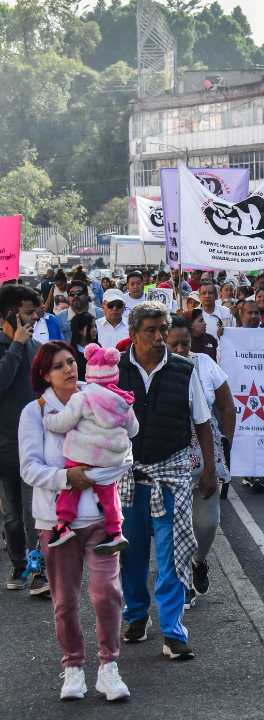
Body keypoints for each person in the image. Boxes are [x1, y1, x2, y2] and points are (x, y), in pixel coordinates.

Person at [18, 341, 130, 701]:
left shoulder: (99, 396)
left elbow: (124, 450)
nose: (69, 369)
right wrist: (69, 479)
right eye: (58, 366)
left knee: (107, 595)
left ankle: (108, 668)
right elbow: (29, 468)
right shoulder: (35, 413)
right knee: (64, 601)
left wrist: (95, 476)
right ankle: (73, 669)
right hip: (55, 522)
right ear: (44, 375)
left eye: (71, 362)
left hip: (100, 519)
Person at [114, 302, 218, 661]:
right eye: (151, 331)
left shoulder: (184, 370)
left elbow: (202, 423)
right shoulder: (112, 371)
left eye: (162, 329)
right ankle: (136, 616)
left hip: (171, 475)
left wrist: (208, 469)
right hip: (127, 477)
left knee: (173, 556)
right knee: (132, 554)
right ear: (133, 335)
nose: (159, 337)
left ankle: (173, 630)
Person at [38, 342, 136, 551]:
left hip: (84, 452)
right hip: (111, 456)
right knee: (109, 491)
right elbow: (134, 429)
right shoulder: (123, 399)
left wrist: (47, 420)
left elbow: (64, 422)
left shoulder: (82, 397)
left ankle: (63, 524)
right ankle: (115, 531)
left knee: (71, 483)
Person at [165, 314, 234, 608]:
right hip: (168, 454)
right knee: (174, 525)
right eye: (175, 344)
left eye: (185, 342)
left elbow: (227, 406)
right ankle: (183, 584)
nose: (181, 349)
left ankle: (199, 560)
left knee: (206, 523)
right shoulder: (158, 369)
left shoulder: (205, 364)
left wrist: (225, 444)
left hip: (205, 451)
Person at [1, 283, 47, 593]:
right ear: (10, 315)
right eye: (28, 313)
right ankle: (18, 564)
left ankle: (37, 570)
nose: (35, 318)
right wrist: (16, 345)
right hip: (3, 445)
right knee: (11, 514)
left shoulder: (35, 345)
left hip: (32, 444)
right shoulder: (18, 345)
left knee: (35, 511)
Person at [69, 312, 99, 379]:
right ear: (80, 330)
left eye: (95, 326)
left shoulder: (99, 349)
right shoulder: (71, 353)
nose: (95, 330)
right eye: (91, 327)